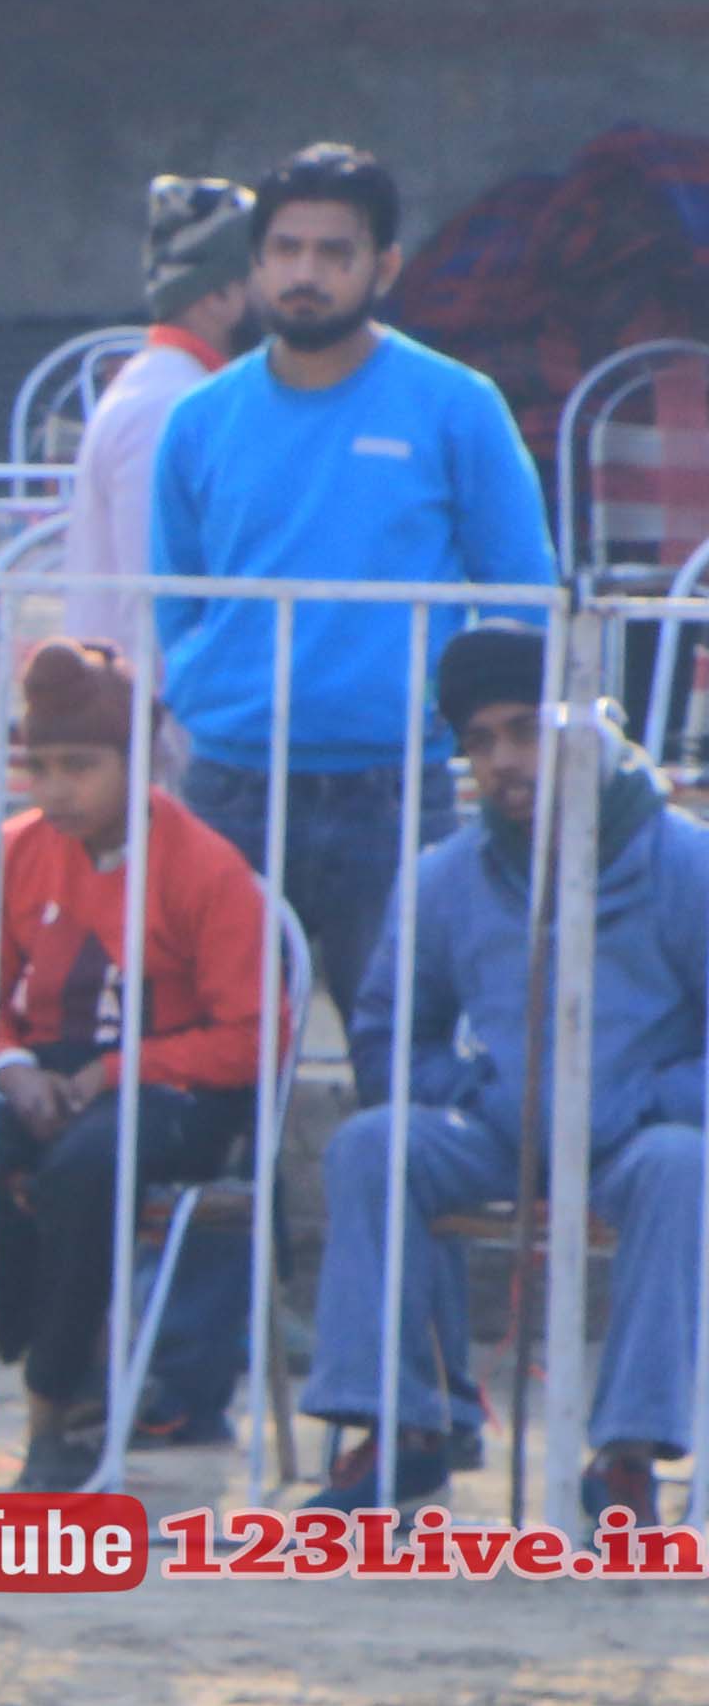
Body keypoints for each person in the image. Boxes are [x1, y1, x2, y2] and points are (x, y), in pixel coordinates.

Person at [147, 144, 562, 1049]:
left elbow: (523, 594)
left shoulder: (456, 405)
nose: (306, 273)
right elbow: (174, 595)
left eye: (335, 252)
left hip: (394, 786)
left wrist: (475, 727)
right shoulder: (198, 421)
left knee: (405, 1053)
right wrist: (209, 685)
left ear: (385, 267)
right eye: (286, 249)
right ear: (255, 266)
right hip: (230, 782)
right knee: (209, 1056)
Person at [301, 625, 708, 1525]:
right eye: (480, 741)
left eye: (527, 730)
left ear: (590, 727)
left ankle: (629, 1455)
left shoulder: (685, 863)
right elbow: (388, 1035)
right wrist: (474, 1097)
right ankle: (405, 1431)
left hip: (640, 1140)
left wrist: (650, 1103)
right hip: (497, 1130)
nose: (503, 760)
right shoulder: (445, 875)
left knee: (684, 1166)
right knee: (374, 1145)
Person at [0, 641, 279, 1492]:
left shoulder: (207, 868)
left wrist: (115, 1074)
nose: (56, 789)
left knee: (87, 1166)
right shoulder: (13, 852)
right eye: (40, 767)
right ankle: (74, 1355)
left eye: (80, 767)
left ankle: (54, 1407)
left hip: (175, 1088)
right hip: (43, 1072)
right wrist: (14, 1069)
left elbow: (252, 1037)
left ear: (140, 762)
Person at [49, 176, 258, 667]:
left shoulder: (174, 388)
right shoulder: (164, 406)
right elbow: (153, 612)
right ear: (219, 296)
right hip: (149, 710)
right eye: (267, 271)